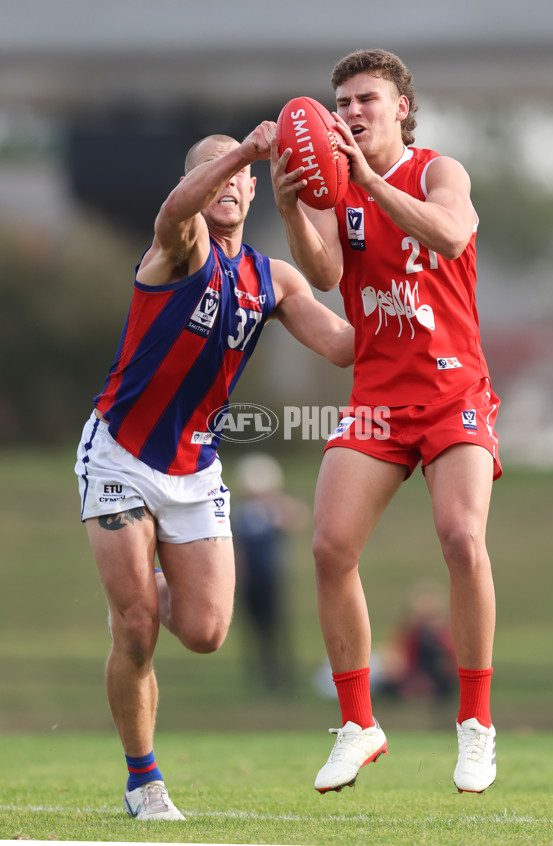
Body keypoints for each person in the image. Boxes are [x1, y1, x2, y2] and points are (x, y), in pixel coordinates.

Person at [74, 122, 353, 820]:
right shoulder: (180, 245)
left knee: (204, 632)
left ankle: (146, 580)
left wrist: (411, 301)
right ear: (199, 184)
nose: (228, 184)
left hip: (196, 469)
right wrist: (244, 150)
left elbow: (342, 347)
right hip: (121, 456)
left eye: (239, 178)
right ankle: (145, 783)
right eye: (214, 174)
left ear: (255, 191)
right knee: (137, 629)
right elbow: (174, 211)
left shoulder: (272, 277)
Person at [271, 48, 501, 795]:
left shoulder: (439, 171)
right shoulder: (336, 192)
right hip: (378, 395)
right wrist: (292, 209)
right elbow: (330, 274)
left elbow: (452, 235)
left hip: (453, 389)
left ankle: (474, 724)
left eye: (366, 98)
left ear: (401, 106)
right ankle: (359, 724)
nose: (350, 112)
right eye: (341, 102)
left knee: (462, 538)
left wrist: (369, 182)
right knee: (331, 545)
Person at [231, 452, 309, 692]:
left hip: (271, 579)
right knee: (253, 630)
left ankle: (284, 675)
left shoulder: (274, 511)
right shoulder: (239, 513)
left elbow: (298, 517)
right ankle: (259, 675)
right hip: (248, 582)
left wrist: (273, 498)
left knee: (277, 627)